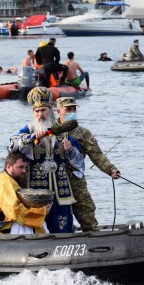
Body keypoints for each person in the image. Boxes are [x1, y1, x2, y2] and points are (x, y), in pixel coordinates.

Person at [9, 86, 84, 233]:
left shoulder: (62, 131)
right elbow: (13, 145)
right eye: (36, 111)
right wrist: (32, 137)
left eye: (43, 110)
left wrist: (70, 150)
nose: (40, 115)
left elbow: (79, 161)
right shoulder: (29, 130)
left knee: (61, 229)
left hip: (60, 190)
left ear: (51, 110)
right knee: (38, 229)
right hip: (36, 190)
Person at [56, 97, 120, 231]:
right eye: (68, 109)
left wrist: (111, 169)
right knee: (59, 215)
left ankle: (92, 235)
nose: (72, 112)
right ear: (58, 111)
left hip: (76, 178)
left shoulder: (83, 133)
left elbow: (96, 155)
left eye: (74, 109)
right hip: (56, 180)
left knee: (86, 209)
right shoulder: (51, 131)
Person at [0, 151, 50, 235]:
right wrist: (41, 211)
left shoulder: (8, 178)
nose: (24, 171)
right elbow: (14, 212)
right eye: (20, 167)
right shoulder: (4, 183)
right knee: (24, 224)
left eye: (25, 167)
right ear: (8, 166)